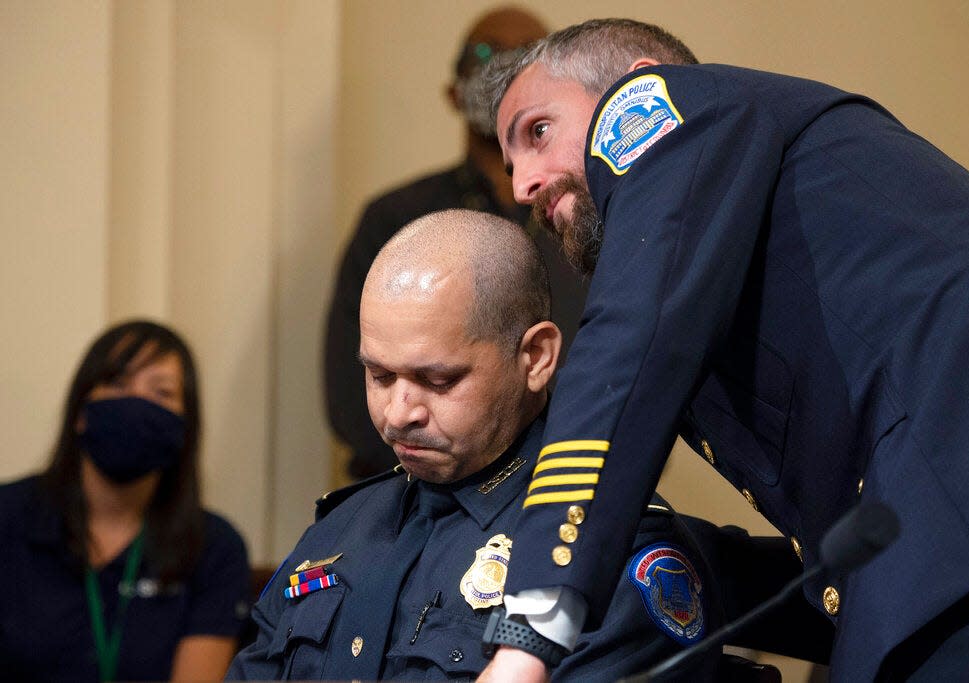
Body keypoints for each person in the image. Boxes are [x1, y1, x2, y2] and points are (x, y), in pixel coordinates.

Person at [472, 17, 969, 682]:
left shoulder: (655, 107)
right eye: (509, 164)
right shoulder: (729, 254)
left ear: (642, 80)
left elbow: (624, 348)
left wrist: (528, 635)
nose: (523, 185)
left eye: (538, 132)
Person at [230, 209, 828, 681]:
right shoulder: (340, 529)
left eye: (438, 380)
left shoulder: (604, 552)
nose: (398, 412)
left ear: (535, 357)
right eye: (379, 376)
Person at [323, 6, 589, 479]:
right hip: (409, 494)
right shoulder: (395, 216)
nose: (503, 67)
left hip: (566, 489)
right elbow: (349, 387)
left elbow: (636, 374)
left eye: (528, 55)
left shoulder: (589, 217)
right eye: (483, 54)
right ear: (451, 92)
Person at [0, 320, 251, 682]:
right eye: (117, 384)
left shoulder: (214, 547)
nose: (136, 402)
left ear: (184, 424)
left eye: (161, 393)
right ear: (81, 412)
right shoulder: (9, 517)